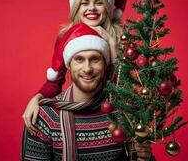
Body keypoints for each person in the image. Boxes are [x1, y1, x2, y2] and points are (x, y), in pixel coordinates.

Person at [21, 23, 153, 161]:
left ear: (105, 64)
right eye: (79, 60)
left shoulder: (124, 114)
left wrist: (145, 158)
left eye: (95, 59)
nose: (87, 69)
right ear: (69, 65)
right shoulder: (45, 118)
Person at [22, 0, 127, 135]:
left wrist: (113, 47)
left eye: (98, 3)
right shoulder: (66, 36)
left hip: (115, 114)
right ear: (77, 8)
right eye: (85, 3)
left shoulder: (123, 36)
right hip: (81, 110)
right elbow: (54, 82)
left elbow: (128, 87)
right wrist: (36, 98)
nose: (91, 8)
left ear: (107, 8)